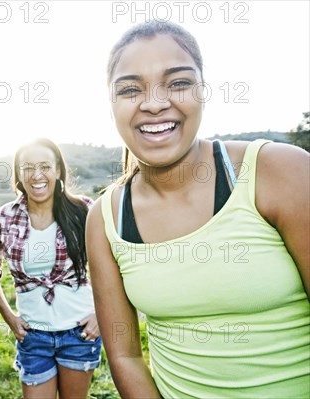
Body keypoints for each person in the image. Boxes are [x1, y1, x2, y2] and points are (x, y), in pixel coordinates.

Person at [86, 20, 310, 398]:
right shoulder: (105, 218)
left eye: (178, 82)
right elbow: (125, 356)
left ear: (203, 90)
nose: (155, 103)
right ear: (111, 105)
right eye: (129, 89)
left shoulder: (280, 171)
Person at [0, 138, 101, 399]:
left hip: (79, 333)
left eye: (45, 166)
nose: (36, 175)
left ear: (58, 170)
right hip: (33, 336)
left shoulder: (84, 210)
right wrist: (10, 318)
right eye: (27, 168)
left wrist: (101, 315)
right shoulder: (4, 217)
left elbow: (113, 265)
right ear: (19, 175)